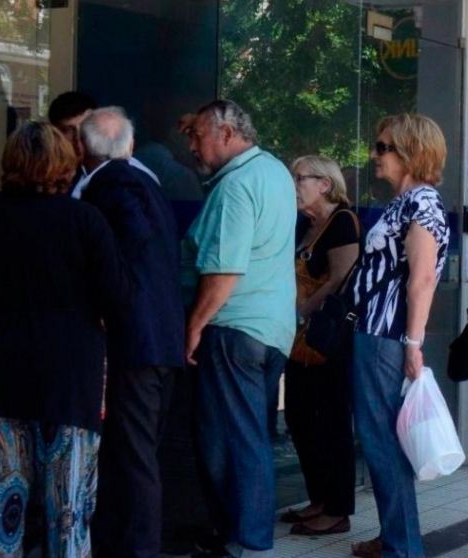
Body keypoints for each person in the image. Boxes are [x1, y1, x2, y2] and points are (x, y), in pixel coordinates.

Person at [0, 122, 131, 557]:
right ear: (66, 163)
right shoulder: (85, 220)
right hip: (69, 380)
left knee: (0, 508)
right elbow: (117, 299)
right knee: (69, 510)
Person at [182, 99, 297, 558]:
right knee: (245, 435)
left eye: (198, 135)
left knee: (234, 440)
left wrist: (193, 326)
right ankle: (236, 533)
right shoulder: (273, 172)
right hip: (272, 330)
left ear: (227, 134)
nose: (191, 145)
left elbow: (224, 272)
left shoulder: (234, 187)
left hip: (234, 329)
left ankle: (246, 541)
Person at [79, 107, 186, 558]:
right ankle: (120, 541)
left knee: (135, 455)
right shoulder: (148, 183)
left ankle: (138, 548)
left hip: (136, 342)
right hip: (160, 338)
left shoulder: (113, 184)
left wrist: (110, 302)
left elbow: (130, 245)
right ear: (130, 144)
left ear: (83, 148)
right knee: (135, 451)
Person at [348, 113, 450, 558]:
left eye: (383, 147)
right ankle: (395, 536)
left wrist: (413, 344)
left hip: (385, 336)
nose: (375, 155)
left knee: (382, 440)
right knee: (380, 438)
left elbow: (422, 279)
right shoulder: (406, 202)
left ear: (410, 152)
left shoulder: (422, 204)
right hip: (377, 332)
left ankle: (402, 545)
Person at [280, 155, 360, 536]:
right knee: (298, 416)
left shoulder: (342, 221)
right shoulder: (303, 225)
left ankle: (338, 508)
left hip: (325, 339)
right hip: (298, 339)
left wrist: (304, 311)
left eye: (300, 178)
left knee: (331, 422)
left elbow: (341, 277)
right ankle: (317, 499)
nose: (294, 184)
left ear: (324, 184)